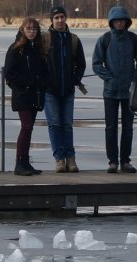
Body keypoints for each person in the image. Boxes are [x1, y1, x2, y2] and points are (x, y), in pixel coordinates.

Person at [92, 5, 137, 174]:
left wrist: (133, 78)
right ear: (111, 22)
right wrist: (110, 78)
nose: (119, 23)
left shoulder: (134, 39)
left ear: (126, 22)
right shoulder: (105, 39)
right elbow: (96, 63)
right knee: (110, 128)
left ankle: (126, 161)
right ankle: (113, 162)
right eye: (116, 21)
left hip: (130, 92)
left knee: (128, 128)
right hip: (110, 92)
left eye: (122, 20)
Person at [4, 17, 49, 176]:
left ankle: (25, 162)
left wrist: (42, 83)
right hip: (22, 94)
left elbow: (44, 71)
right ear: (23, 30)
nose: (31, 32)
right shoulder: (16, 48)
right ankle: (19, 162)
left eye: (34, 29)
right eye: (28, 29)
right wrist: (26, 84)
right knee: (26, 126)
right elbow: (9, 74)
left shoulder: (38, 48)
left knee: (29, 129)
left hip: (35, 94)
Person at [44, 6, 85, 173]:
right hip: (50, 90)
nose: (60, 20)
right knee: (54, 124)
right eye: (56, 18)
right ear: (52, 20)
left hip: (68, 90)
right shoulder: (45, 39)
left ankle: (71, 158)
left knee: (67, 125)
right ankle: (59, 159)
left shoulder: (73, 40)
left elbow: (81, 64)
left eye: (62, 17)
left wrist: (74, 79)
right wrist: (44, 81)